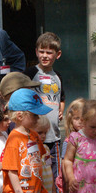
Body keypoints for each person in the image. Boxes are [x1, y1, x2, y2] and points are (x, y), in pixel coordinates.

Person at [1, 88, 52, 193]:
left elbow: (38, 160)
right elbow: (11, 169)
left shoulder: (34, 135)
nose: (38, 117)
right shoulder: (14, 139)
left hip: (35, 192)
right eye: (34, 114)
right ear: (20, 116)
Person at [24, 32, 65, 182]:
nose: (45, 55)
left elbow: (62, 97)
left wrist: (61, 110)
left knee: (55, 177)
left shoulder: (58, 76)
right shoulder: (30, 73)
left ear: (57, 54)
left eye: (49, 52)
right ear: (36, 52)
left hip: (54, 137)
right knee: (36, 174)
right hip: (35, 136)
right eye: (42, 51)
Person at [57, 98, 85, 193]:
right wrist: (68, 181)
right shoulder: (69, 140)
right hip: (75, 180)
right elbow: (65, 162)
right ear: (70, 119)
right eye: (76, 118)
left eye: (83, 118)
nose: (80, 122)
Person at [34, 116, 58, 193]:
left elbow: (49, 168)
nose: (43, 136)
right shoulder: (31, 150)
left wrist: (53, 189)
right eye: (40, 133)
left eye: (45, 133)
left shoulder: (46, 149)